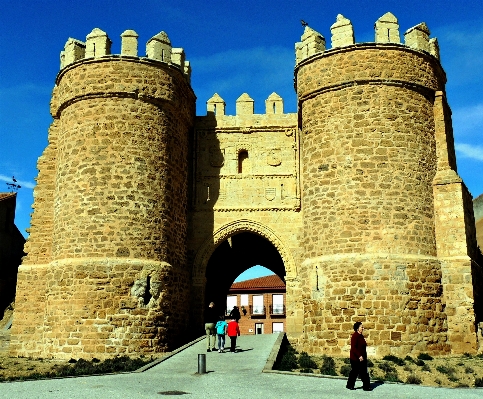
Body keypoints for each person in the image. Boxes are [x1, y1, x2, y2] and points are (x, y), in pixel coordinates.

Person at [346, 321, 372, 391]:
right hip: (355, 358)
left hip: (362, 358)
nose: (363, 328)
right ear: (357, 328)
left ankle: (366, 386)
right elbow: (353, 348)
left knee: (363, 372)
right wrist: (359, 356)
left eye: (362, 327)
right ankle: (350, 385)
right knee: (355, 372)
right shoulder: (355, 336)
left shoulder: (361, 336)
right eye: (361, 327)